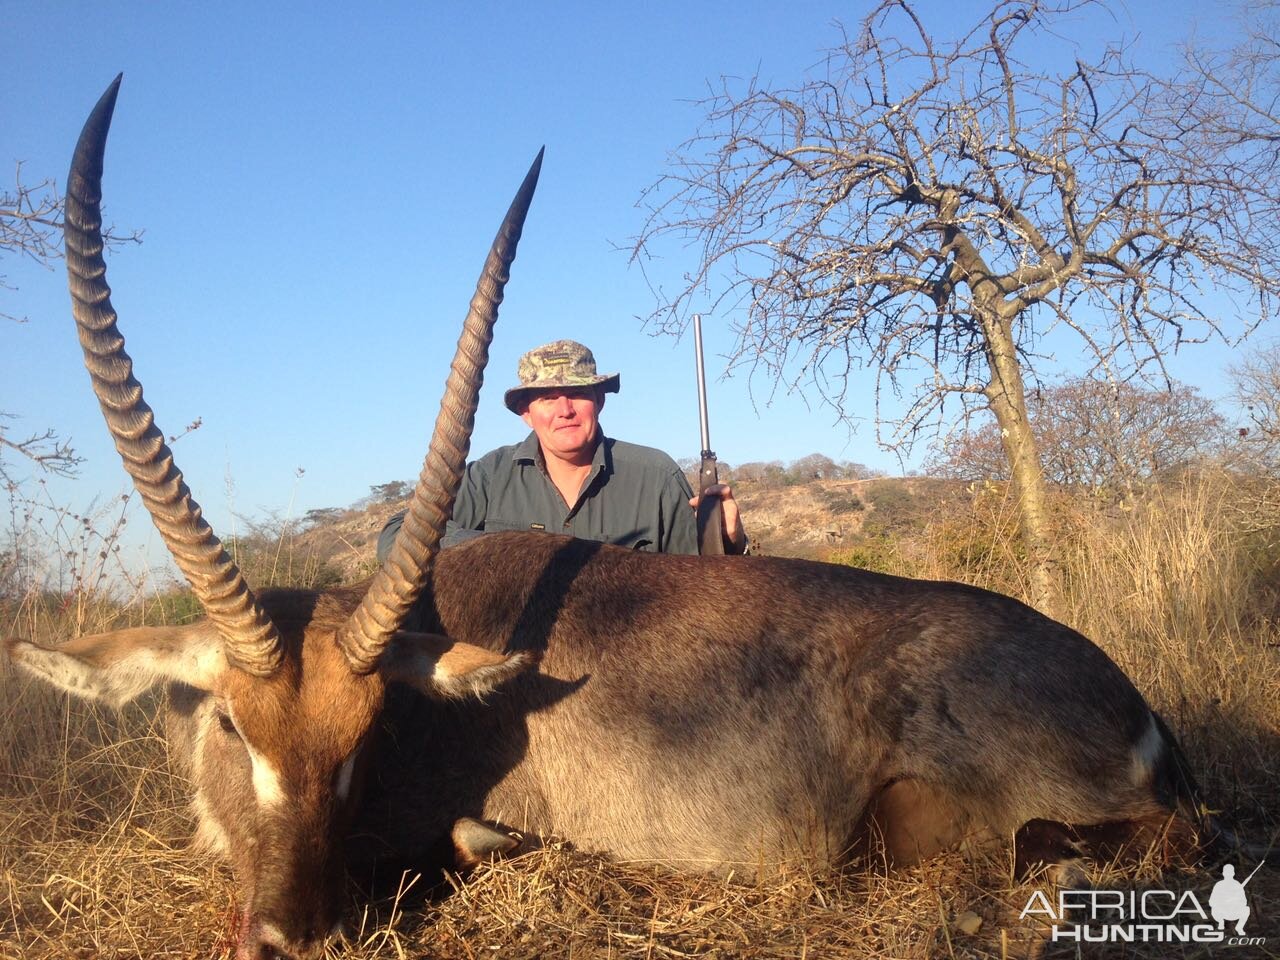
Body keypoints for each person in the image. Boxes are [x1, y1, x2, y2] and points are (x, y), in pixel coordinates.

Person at [377, 339, 746, 562]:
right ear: (526, 413)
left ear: (599, 401)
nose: (564, 410)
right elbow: (396, 535)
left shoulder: (656, 474)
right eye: (548, 398)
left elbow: (700, 580)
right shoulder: (489, 475)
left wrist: (729, 543)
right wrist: (510, 552)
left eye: (578, 394)